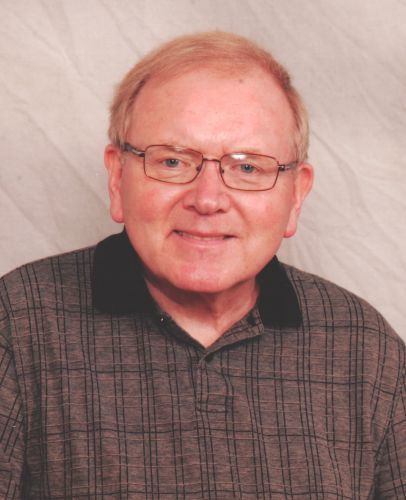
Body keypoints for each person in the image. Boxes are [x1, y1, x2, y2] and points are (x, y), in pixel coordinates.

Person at [0, 31, 404, 499]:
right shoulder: (18, 325)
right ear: (117, 177)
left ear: (296, 195)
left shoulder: (365, 349)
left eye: (248, 167)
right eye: (173, 161)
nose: (208, 199)